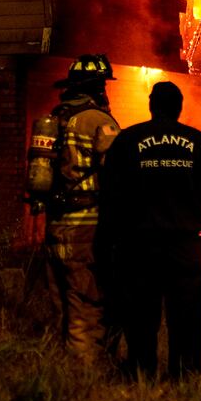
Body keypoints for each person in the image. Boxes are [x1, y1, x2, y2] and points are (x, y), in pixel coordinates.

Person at [100, 80, 201, 378]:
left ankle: (142, 371)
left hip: (139, 246)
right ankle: (185, 375)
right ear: (179, 107)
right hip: (186, 247)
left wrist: (115, 240)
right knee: (186, 316)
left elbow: (111, 195)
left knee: (141, 315)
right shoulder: (199, 142)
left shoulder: (129, 140)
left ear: (151, 105)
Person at [40, 54, 121, 362]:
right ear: (98, 87)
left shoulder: (54, 118)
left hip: (55, 224)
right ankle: (83, 376)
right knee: (85, 302)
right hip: (86, 226)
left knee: (59, 302)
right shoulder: (98, 121)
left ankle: (58, 369)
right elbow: (116, 174)